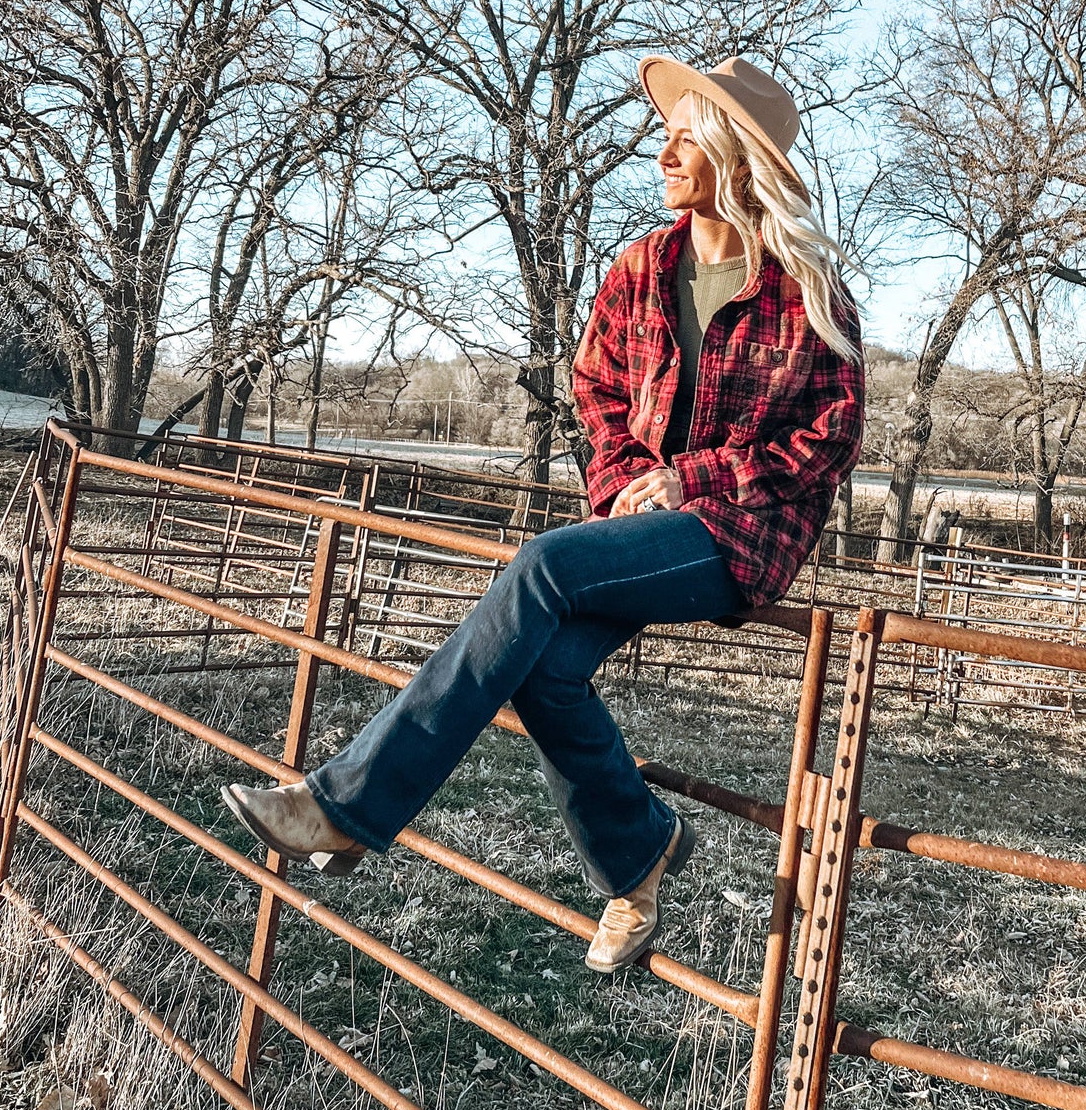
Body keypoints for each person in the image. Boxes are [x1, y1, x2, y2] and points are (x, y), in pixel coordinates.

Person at [221, 55, 865, 973]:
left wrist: (694, 478)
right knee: (546, 670)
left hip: (739, 532)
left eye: (684, 136)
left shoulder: (803, 291)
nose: (663, 151)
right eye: (669, 133)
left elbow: (830, 437)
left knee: (542, 566)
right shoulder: (643, 264)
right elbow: (595, 390)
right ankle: (638, 858)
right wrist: (628, 485)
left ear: (730, 154)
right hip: (632, 519)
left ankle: (347, 804)